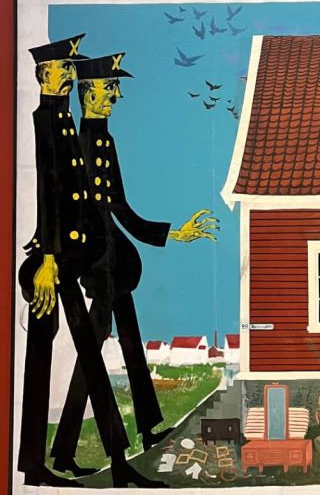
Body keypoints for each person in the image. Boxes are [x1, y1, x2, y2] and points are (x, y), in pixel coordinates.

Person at [50, 53, 219, 474]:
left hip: (116, 263)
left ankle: (146, 429)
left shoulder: (104, 139)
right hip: (97, 263)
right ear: (90, 93)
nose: (117, 96)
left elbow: (120, 207)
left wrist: (173, 233)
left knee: (130, 342)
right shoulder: (79, 143)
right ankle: (67, 450)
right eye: (111, 88)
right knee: (92, 356)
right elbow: (74, 212)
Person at [18, 37, 164, 488]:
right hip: (54, 262)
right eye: (64, 68)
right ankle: (39, 466)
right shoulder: (47, 120)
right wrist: (47, 259)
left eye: (70, 68)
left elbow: (91, 202)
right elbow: (48, 195)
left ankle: (107, 464)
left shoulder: (63, 120)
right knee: (42, 358)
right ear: (44, 74)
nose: (69, 74)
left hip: (69, 258)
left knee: (87, 361)